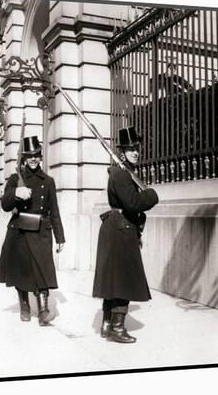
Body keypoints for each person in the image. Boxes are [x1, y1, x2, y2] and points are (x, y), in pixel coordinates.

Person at [92, 126, 159, 344]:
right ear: (121, 152)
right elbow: (132, 203)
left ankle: (107, 324)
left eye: (136, 148)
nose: (135, 152)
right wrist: (151, 196)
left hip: (119, 228)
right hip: (121, 229)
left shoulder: (123, 172)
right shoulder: (122, 174)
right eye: (130, 149)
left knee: (114, 278)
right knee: (124, 279)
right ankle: (117, 329)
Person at [0, 136, 65, 326]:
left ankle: (44, 311)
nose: (33, 159)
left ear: (40, 157)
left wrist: (60, 237)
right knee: (22, 270)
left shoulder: (48, 181)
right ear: (24, 158)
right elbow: (5, 204)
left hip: (41, 229)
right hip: (20, 231)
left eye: (36, 155)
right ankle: (24, 306)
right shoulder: (16, 179)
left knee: (43, 269)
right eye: (30, 156)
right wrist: (16, 193)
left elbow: (55, 210)